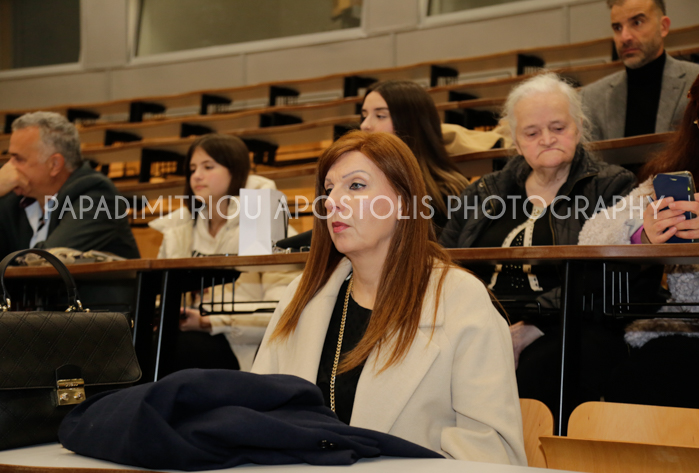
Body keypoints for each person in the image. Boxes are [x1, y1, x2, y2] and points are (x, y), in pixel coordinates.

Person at [252, 130, 526, 465]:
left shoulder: (460, 298)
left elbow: (490, 449)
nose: (332, 201)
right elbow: (258, 417)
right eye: (328, 189)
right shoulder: (302, 295)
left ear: (403, 203)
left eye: (356, 185)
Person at [439, 72, 636, 411]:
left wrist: (533, 326)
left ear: (578, 127)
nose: (546, 139)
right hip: (477, 322)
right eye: (531, 133)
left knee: (541, 369)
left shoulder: (611, 186)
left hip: (568, 324)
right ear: (516, 141)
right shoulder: (483, 191)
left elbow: (611, 278)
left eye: (558, 127)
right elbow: (443, 263)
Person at [578, 66, 699, 409]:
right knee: (635, 374)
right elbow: (591, 235)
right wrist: (643, 236)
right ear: (698, 125)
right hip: (688, 329)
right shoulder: (681, 174)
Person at [149, 134, 298, 372]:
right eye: (192, 169)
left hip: (242, 348)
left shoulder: (265, 225)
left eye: (208, 167)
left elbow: (283, 310)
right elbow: (160, 294)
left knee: (173, 349)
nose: (197, 176)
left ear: (235, 171)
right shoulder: (178, 230)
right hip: (185, 338)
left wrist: (210, 322)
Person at [0, 111, 139, 260]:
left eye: (18, 159)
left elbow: (47, 260)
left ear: (54, 164)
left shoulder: (97, 195)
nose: (8, 167)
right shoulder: (11, 199)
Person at [581, 0, 699, 141]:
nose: (625, 37)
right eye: (617, 28)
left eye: (637, 23)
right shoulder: (591, 98)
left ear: (663, 27)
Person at [360, 80, 470, 232]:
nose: (365, 125)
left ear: (410, 123)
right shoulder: (356, 180)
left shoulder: (448, 193)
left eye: (380, 116)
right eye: (364, 115)